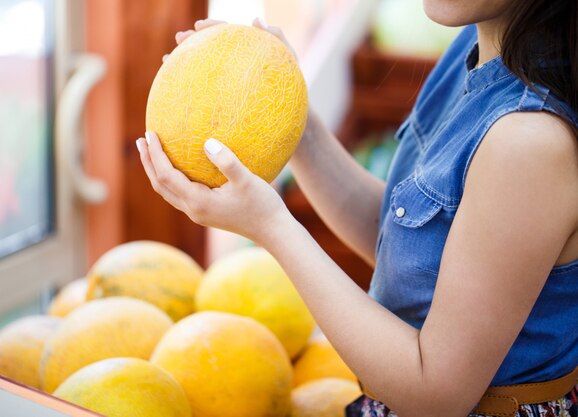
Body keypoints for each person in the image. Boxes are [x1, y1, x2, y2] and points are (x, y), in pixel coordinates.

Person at [136, 1, 578, 416]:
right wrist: (294, 118)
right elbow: (404, 248)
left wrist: (271, 226)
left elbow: (435, 393)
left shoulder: (529, 141)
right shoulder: (476, 44)